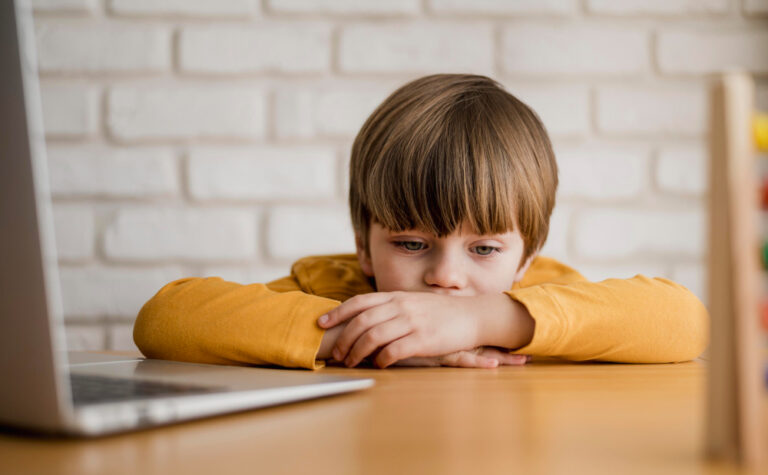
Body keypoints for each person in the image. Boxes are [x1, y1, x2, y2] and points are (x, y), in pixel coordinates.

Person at [133, 74, 709, 370]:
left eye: (483, 250)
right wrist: (358, 335)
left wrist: (486, 320)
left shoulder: (544, 295)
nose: (445, 278)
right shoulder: (339, 292)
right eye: (411, 243)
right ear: (363, 246)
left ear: (527, 255)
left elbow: (685, 322)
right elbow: (164, 319)